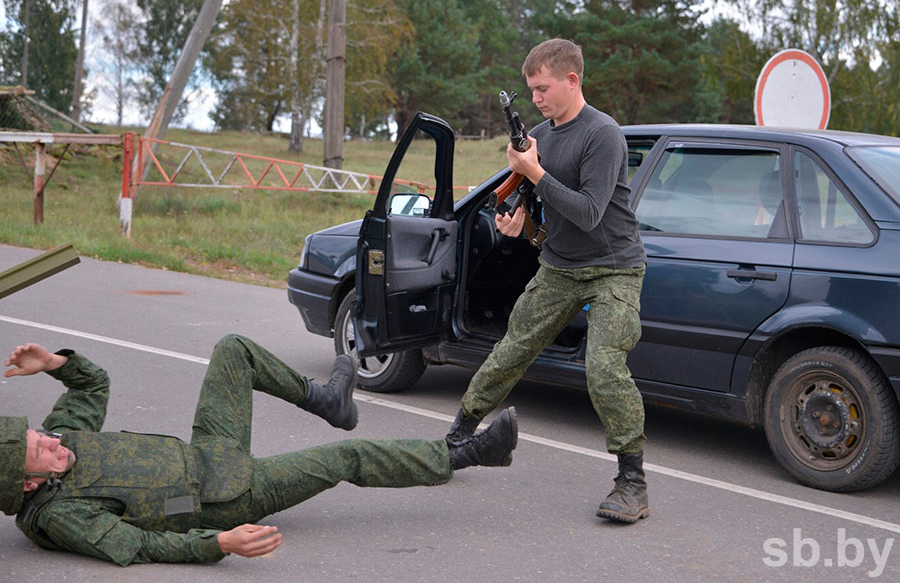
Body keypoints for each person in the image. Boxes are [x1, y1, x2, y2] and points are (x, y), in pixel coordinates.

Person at [0, 335, 517, 565]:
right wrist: (219, 542)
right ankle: (467, 454)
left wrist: (54, 363)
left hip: (208, 451)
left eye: (38, 434)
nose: (50, 440)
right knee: (344, 459)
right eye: (39, 451)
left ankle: (329, 399)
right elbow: (140, 546)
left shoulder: (59, 441)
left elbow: (91, 389)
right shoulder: (60, 516)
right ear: (28, 485)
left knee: (233, 350)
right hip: (227, 497)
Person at [446, 38, 649, 523]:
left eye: (542, 88)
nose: (535, 98)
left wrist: (534, 172)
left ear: (572, 80)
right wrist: (517, 215)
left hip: (615, 268)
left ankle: (632, 483)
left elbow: (588, 212)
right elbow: (539, 201)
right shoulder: (539, 134)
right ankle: (457, 437)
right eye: (530, 90)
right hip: (559, 265)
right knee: (512, 348)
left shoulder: (603, 135)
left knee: (603, 367)